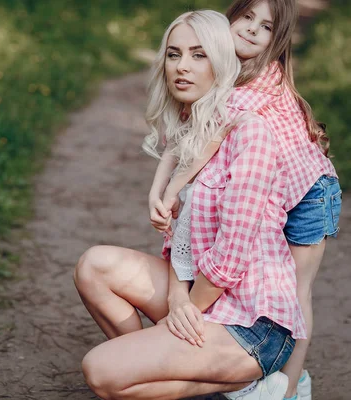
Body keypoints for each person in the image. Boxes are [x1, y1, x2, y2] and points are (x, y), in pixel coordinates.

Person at [74, 9, 304, 400]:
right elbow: (186, 244)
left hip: (251, 327)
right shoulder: (197, 126)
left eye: (199, 55)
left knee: (100, 370)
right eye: (174, 53)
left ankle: (254, 384)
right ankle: (153, 370)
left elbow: (230, 258)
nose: (182, 67)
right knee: (93, 266)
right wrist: (177, 297)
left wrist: (183, 312)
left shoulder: (252, 135)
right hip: (207, 297)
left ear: (223, 59)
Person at [148, 1, 341, 399]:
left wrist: (171, 189)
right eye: (247, 18)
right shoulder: (219, 62)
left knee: (296, 290)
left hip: (309, 191)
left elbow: (212, 138)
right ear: (229, 17)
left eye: (266, 27)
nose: (252, 31)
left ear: (278, 39)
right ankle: (241, 362)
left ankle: (290, 386)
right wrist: (158, 186)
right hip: (269, 188)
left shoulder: (261, 80)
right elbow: (185, 130)